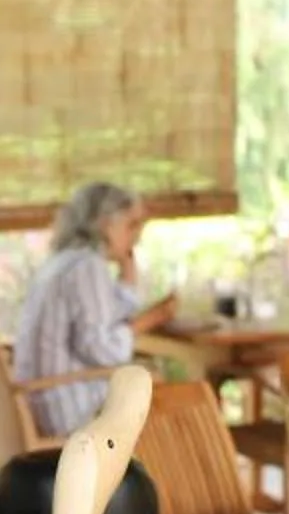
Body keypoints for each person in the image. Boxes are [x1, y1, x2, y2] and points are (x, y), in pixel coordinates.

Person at [12, 182, 174, 435]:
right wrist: (148, 321)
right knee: (173, 394)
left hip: (38, 400)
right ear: (105, 224)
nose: (137, 237)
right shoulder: (87, 267)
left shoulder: (62, 262)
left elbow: (103, 317)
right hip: (68, 409)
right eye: (131, 225)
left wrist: (128, 273)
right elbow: (104, 351)